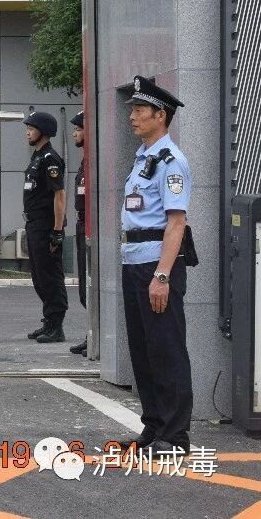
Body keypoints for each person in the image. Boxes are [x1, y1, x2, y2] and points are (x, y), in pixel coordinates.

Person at [114, 75, 193, 452]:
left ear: (160, 115)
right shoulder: (143, 157)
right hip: (134, 262)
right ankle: (155, 425)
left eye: (140, 109)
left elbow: (176, 223)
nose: (132, 116)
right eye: (132, 109)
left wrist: (162, 275)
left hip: (157, 266)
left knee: (166, 348)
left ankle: (175, 435)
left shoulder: (171, 162)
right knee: (144, 349)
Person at [22, 110, 68, 343]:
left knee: (50, 275)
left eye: (31, 128)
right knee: (39, 276)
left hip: (46, 225)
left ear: (44, 131)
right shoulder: (38, 156)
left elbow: (59, 195)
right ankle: (48, 321)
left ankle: (56, 327)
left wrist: (57, 232)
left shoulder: (50, 158)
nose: (27, 132)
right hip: (34, 224)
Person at [70, 111, 89, 355]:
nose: (75, 133)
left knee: (91, 282)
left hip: (91, 225)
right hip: (82, 223)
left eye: (78, 129)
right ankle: (91, 332)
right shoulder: (85, 160)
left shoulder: (94, 160)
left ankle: (95, 334)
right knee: (84, 283)